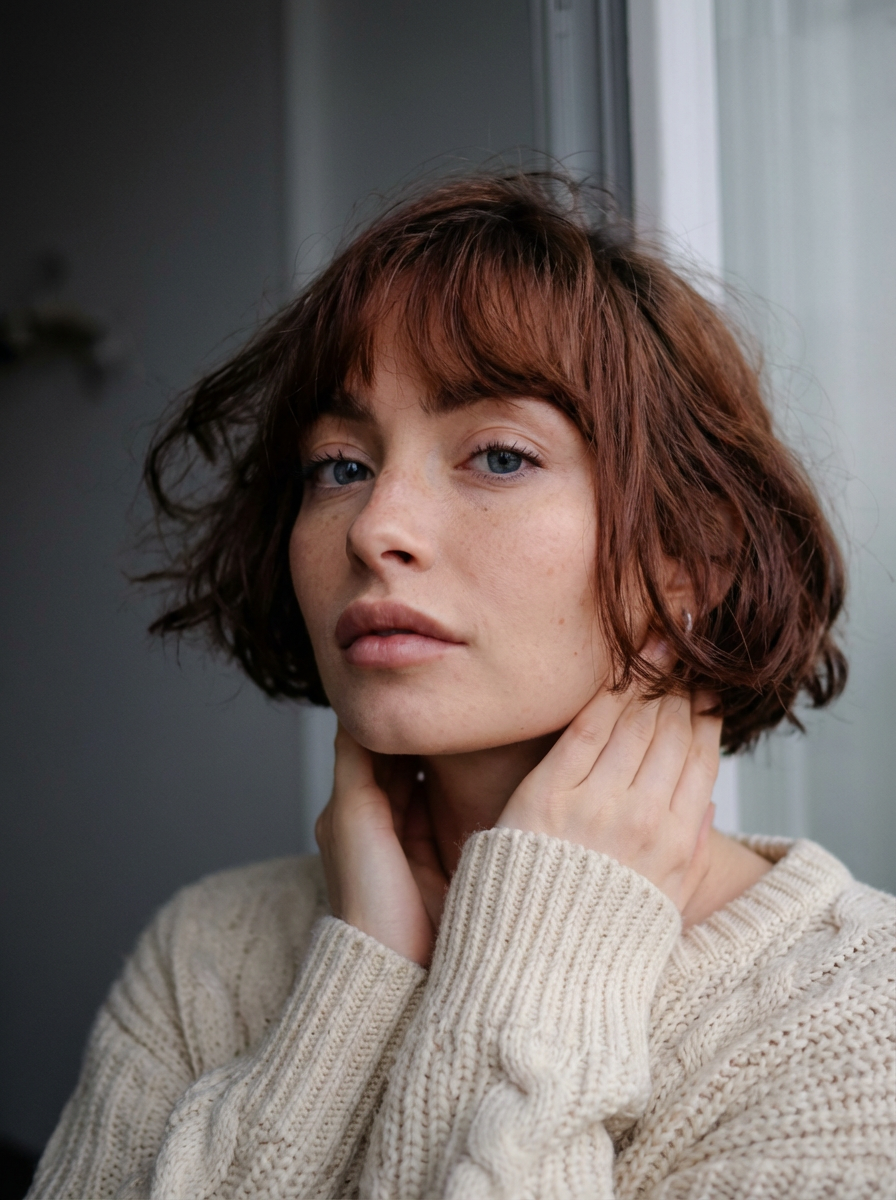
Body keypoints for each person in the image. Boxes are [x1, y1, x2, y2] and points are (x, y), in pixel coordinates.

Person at [28, 173, 894, 1199]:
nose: (373, 527)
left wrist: (538, 951)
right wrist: (353, 990)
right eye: (338, 466)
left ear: (689, 559)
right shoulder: (209, 950)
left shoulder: (857, 1018)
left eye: (496, 455)